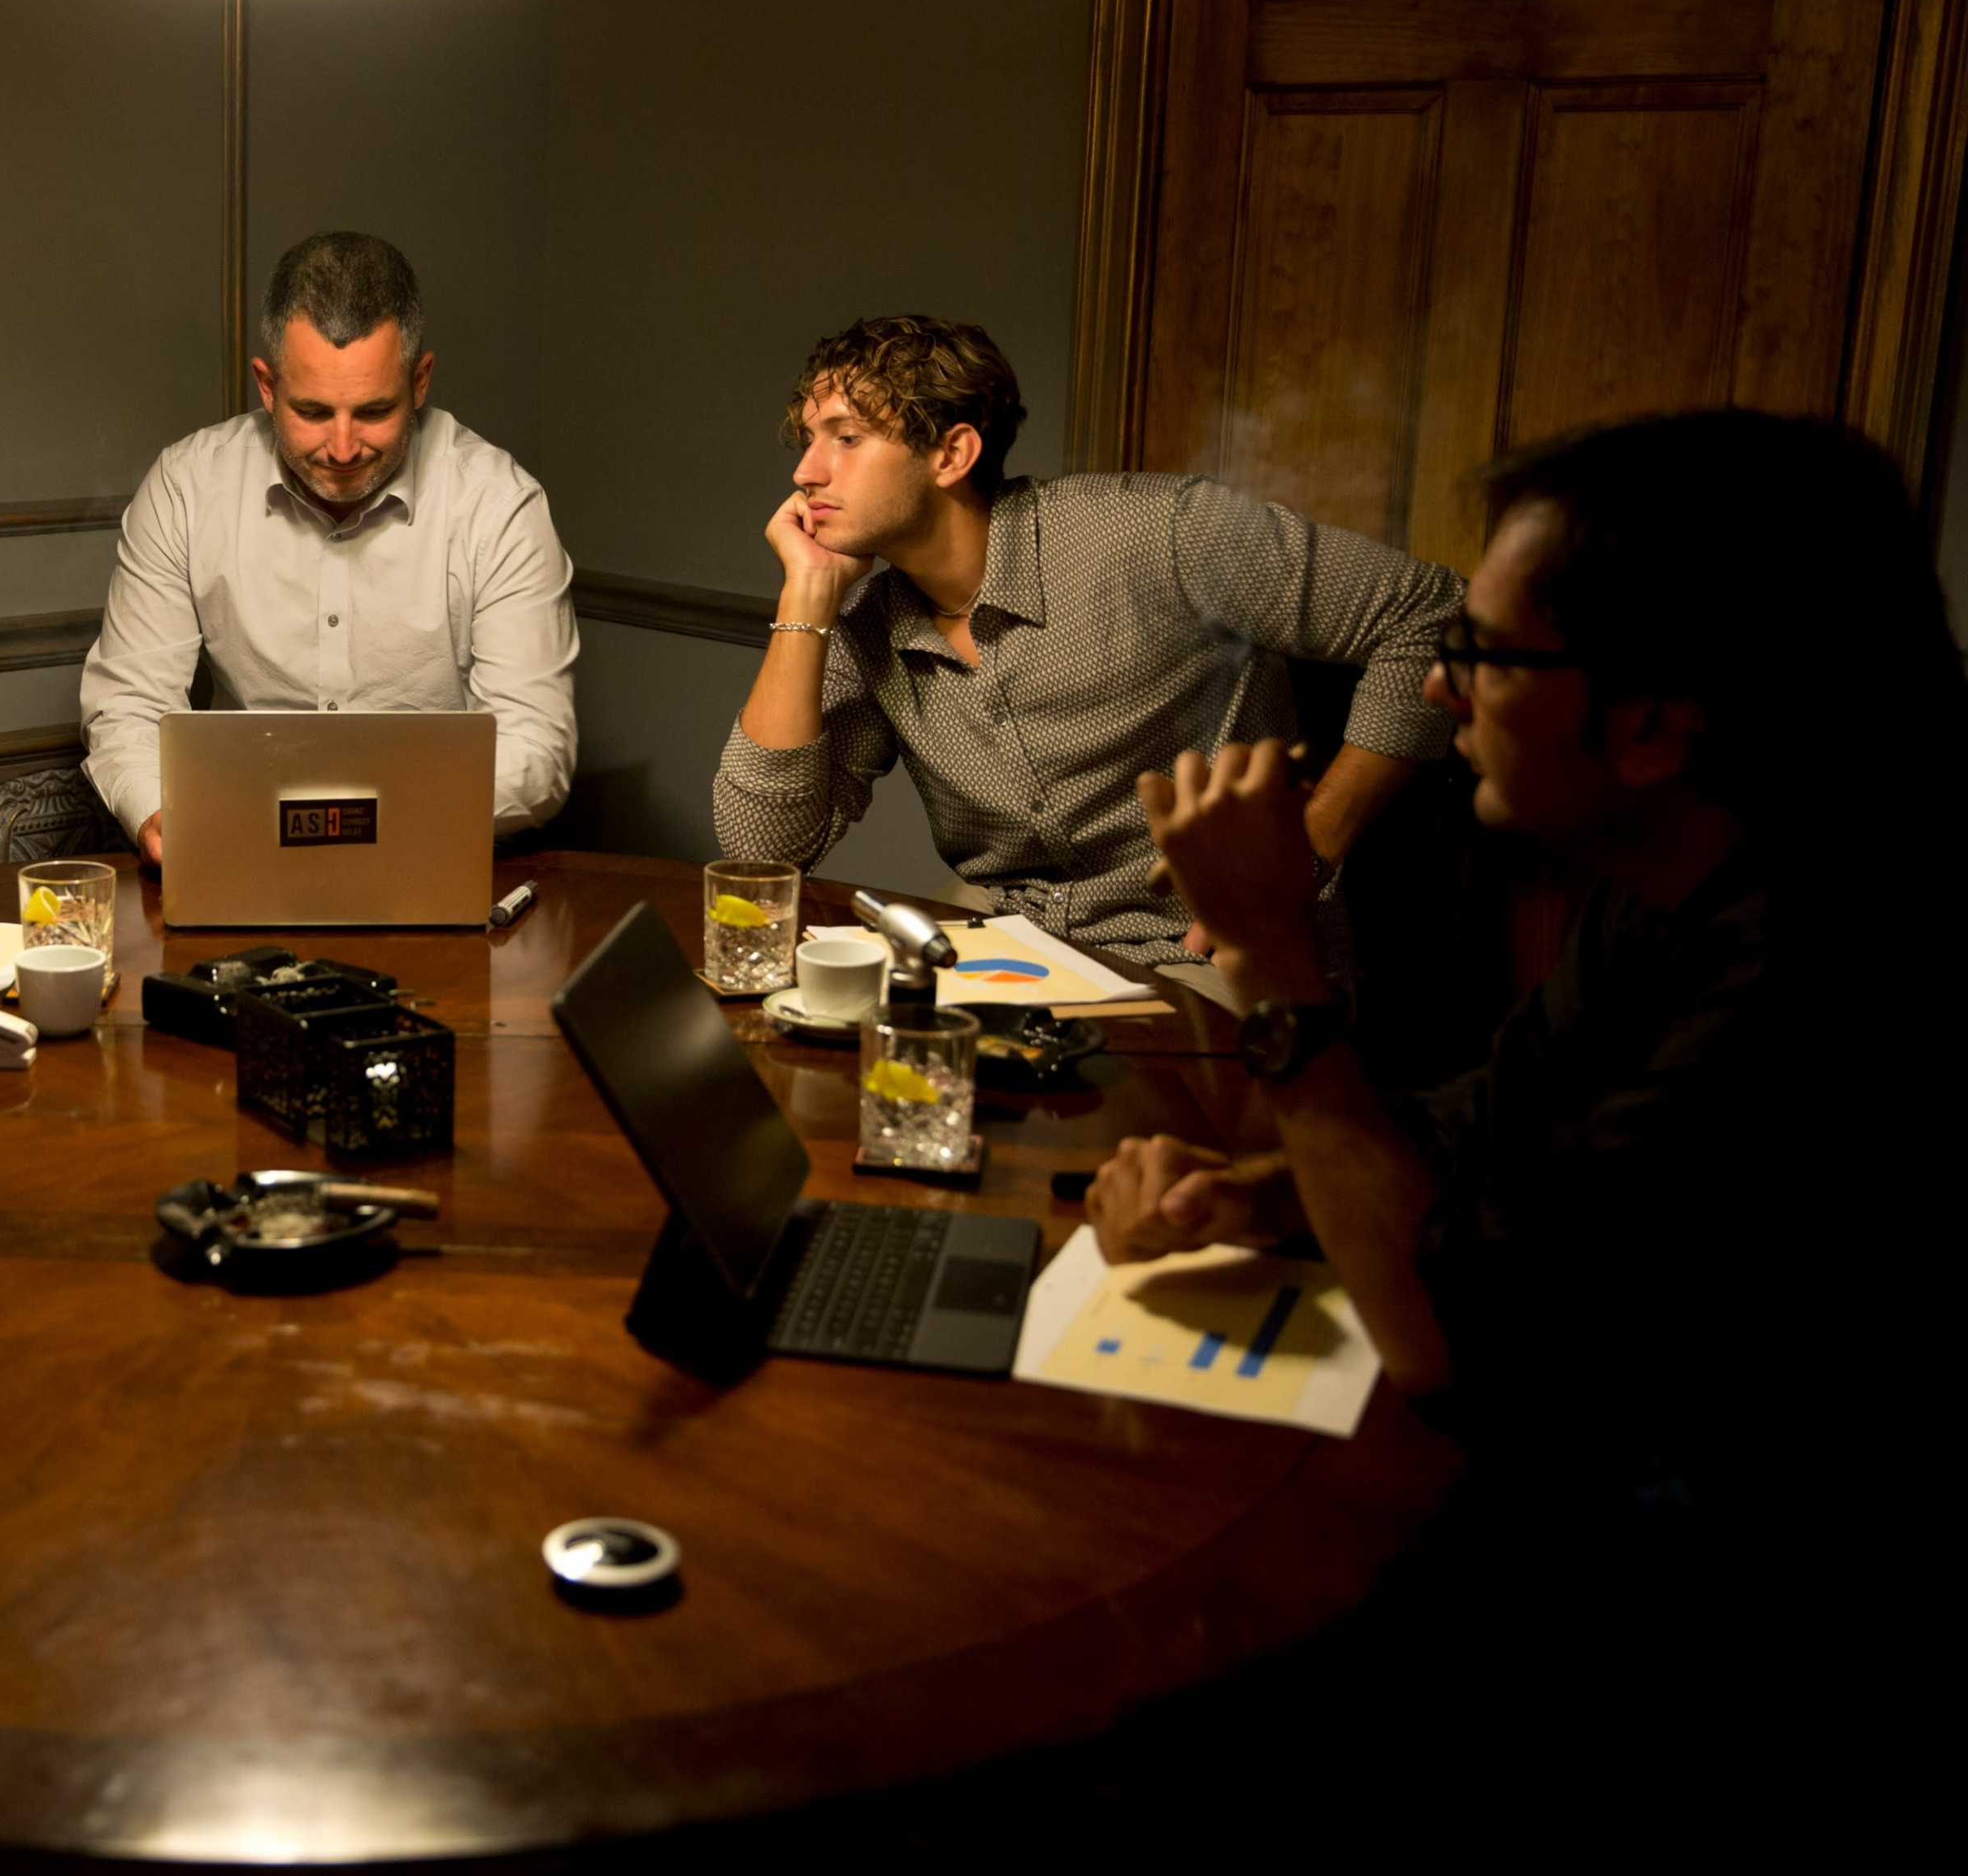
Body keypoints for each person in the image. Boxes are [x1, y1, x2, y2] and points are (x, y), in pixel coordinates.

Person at [1088, 410, 1958, 1800]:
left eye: (1484, 653)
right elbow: (1476, 1139)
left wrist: (1271, 954)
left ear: (1656, 724)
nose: (1438, 689)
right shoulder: (1665, 884)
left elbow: (1458, 1338)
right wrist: (1263, 1195)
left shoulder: (1827, 977)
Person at [713, 315, 1463, 987]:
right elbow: (760, 851)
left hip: (1206, 954)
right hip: (1010, 950)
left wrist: (1311, 848)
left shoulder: (1158, 532)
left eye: (845, 438)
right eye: (810, 441)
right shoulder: (872, 624)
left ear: (952, 454)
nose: (806, 473)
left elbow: (1434, 612)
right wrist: (806, 598)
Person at [80, 231, 579, 864]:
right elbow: (129, 700)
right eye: (313, 411)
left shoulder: (500, 505)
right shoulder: (187, 487)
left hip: (441, 860)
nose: (343, 448)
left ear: (420, 380)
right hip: (236, 854)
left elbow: (535, 747)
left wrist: (338, 823)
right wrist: (161, 816)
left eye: (374, 411)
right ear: (267, 386)